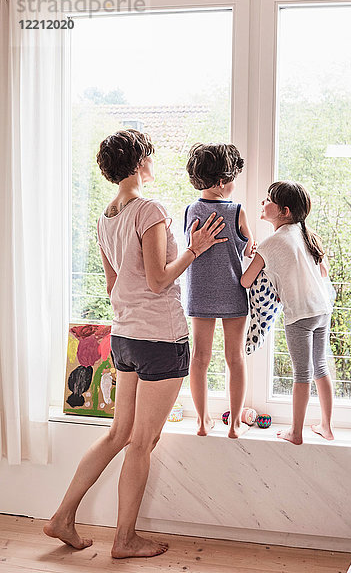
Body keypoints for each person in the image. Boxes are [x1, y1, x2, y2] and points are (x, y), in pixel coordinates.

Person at [43, 129, 227, 558]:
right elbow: (159, 279)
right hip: (160, 339)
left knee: (117, 435)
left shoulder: (106, 217)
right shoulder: (150, 210)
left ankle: (61, 518)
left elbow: (113, 286)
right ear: (140, 161)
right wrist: (195, 249)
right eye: (150, 156)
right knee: (141, 443)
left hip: (124, 337)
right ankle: (124, 540)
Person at [241, 180, 334, 445]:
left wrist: (251, 257)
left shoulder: (271, 243)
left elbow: (246, 281)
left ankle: (296, 432)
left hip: (300, 316)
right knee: (320, 367)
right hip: (322, 309)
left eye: (268, 199)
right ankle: (326, 426)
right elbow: (323, 272)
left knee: (302, 374)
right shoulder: (307, 234)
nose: (263, 203)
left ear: (284, 211)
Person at [184, 143, 255, 438]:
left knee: (200, 357)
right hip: (231, 292)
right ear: (224, 181)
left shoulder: (190, 210)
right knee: (234, 357)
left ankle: (202, 421)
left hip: (200, 293)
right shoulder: (236, 210)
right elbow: (249, 247)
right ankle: (236, 424)